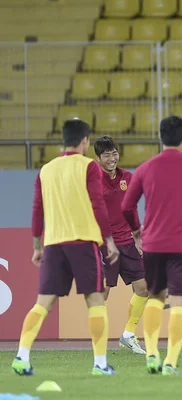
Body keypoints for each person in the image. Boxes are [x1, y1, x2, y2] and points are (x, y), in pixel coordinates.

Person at [12, 119, 119, 376]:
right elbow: (97, 204)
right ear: (84, 141)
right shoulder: (89, 167)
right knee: (95, 302)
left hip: (54, 245)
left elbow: (38, 209)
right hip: (83, 242)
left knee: (42, 304)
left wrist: (37, 246)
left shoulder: (46, 170)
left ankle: (21, 356)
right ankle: (100, 364)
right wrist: (109, 240)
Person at [121, 116, 182, 376]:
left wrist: (137, 231)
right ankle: (171, 361)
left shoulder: (145, 168)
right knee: (179, 302)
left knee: (154, 297)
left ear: (161, 137)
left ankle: (152, 353)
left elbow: (127, 206)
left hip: (152, 245)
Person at [94, 136, 148, 355]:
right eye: (106, 154)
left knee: (144, 288)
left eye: (114, 153)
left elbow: (132, 208)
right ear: (97, 158)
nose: (111, 158)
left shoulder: (128, 177)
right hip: (104, 244)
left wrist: (138, 236)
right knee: (103, 294)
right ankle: (99, 345)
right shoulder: (92, 179)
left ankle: (128, 334)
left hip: (127, 242)